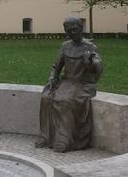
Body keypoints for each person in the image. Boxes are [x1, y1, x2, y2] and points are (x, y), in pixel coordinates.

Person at [35, 16, 103, 152]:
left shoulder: (89, 46)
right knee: (46, 97)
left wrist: (90, 62)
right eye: (68, 31)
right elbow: (56, 66)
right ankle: (47, 137)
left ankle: (65, 140)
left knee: (64, 101)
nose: (72, 34)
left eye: (74, 30)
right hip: (67, 82)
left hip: (83, 84)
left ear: (80, 29)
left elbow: (98, 66)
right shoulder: (65, 46)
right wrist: (52, 78)